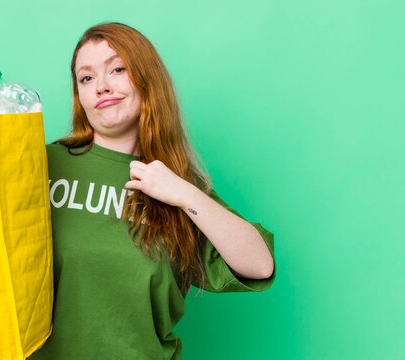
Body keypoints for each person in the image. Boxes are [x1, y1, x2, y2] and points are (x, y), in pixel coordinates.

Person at [30, 22, 275, 359]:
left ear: (148, 79)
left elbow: (259, 265)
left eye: (117, 69)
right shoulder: (41, 165)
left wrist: (184, 193)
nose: (101, 86)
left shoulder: (177, 187)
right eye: (86, 78)